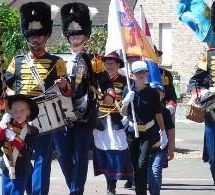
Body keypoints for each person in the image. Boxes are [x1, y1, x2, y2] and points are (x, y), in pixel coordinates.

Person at [4, 2, 70, 194]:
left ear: (46, 36)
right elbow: (4, 85)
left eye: (39, 35)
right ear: (27, 36)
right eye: (32, 35)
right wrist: (9, 94)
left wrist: (65, 85)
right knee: (18, 157)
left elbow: (66, 90)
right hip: (19, 116)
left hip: (45, 115)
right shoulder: (16, 61)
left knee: (42, 159)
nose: (36, 39)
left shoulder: (57, 62)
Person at [53, 3, 115, 195]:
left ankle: (76, 190)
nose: (75, 37)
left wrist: (110, 95)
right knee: (63, 156)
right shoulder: (57, 58)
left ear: (86, 35)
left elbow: (106, 83)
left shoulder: (94, 59)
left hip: (85, 112)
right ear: (67, 36)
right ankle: (73, 185)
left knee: (80, 155)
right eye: (72, 34)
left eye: (79, 34)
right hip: (61, 114)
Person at [121, 60, 168, 195]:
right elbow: (124, 113)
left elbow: (158, 114)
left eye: (144, 72)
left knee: (142, 165)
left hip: (148, 133)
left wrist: (163, 132)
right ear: (132, 75)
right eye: (138, 73)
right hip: (132, 133)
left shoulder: (153, 92)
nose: (142, 75)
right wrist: (126, 102)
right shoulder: (127, 90)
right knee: (136, 167)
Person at [92, 52, 133, 195]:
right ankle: (109, 182)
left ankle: (112, 185)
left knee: (116, 153)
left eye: (112, 64)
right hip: (100, 120)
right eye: (106, 64)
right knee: (103, 153)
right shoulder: (97, 80)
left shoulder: (125, 81)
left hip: (117, 121)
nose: (108, 67)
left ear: (118, 65)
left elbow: (131, 104)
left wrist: (128, 114)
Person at [0, 94, 39, 195]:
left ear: (28, 112)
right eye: (15, 110)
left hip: (21, 169)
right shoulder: (7, 125)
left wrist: (13, 138)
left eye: (22, 110)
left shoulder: (32, 130)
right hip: (6, 167)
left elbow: (26, 150)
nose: (18, 113)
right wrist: (1, 126)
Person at [188, 46, 215, 185]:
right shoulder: (210, 55)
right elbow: (194, 81)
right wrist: (197, 92)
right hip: (212, 115)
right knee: (213, 158)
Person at [147, 86, 175, 195]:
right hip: (145, 147)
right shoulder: (144, 108)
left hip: (160, 148)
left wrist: (171, 149)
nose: (156, 94)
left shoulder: (165, 111)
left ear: (163, 95)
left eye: (159, 92)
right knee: (149, 174)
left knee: (156, 171)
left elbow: (170, 131)